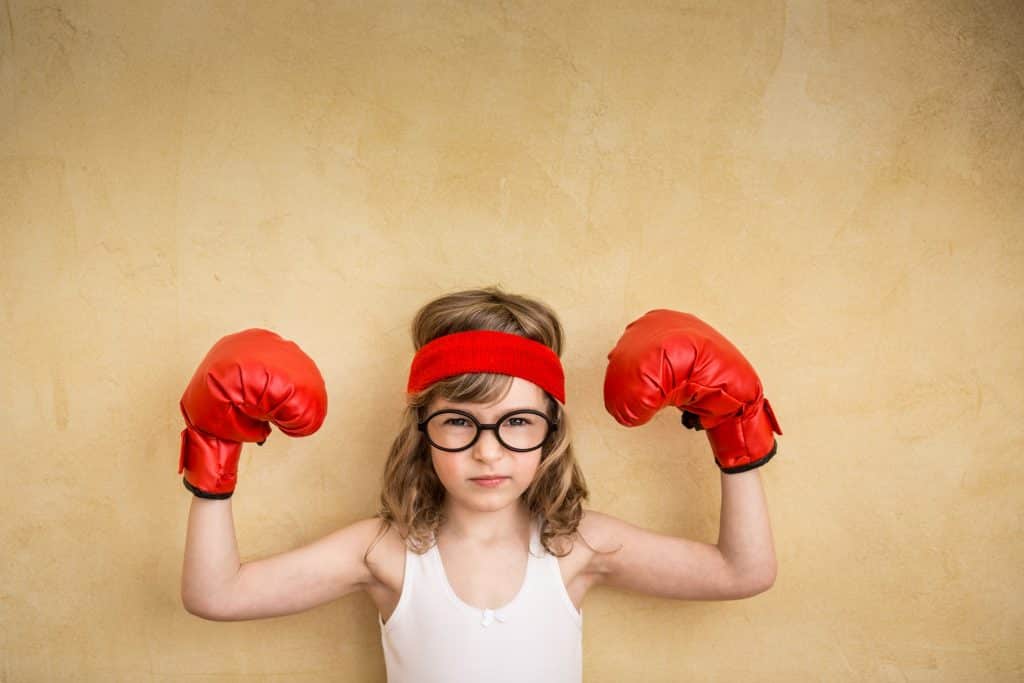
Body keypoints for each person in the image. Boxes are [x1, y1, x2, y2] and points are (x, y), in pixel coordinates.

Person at [179, 286, 781, 683]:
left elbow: (742, 571)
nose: (487, 451)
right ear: (423, 431)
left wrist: (736, 430)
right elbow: (217, 595)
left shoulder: (576, 547)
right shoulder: (384, 551)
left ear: (551, 432)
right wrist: (215, 452)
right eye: (459, 423)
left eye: (518, 422)